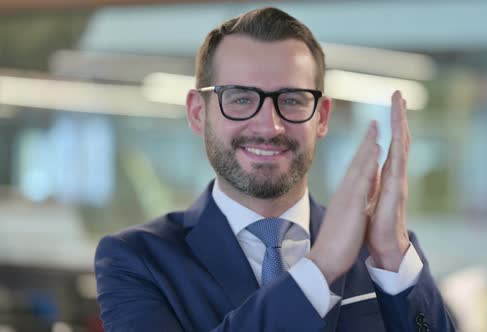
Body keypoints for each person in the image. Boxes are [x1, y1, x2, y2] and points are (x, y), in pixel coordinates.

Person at [94, 7, 456, 332]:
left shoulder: (384, 252)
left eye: (292, 100)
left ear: (322, 116)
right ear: (197, 113)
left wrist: (393, 259)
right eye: (240, 98)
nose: (269, 127)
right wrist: (319, 270)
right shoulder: (138, 259)